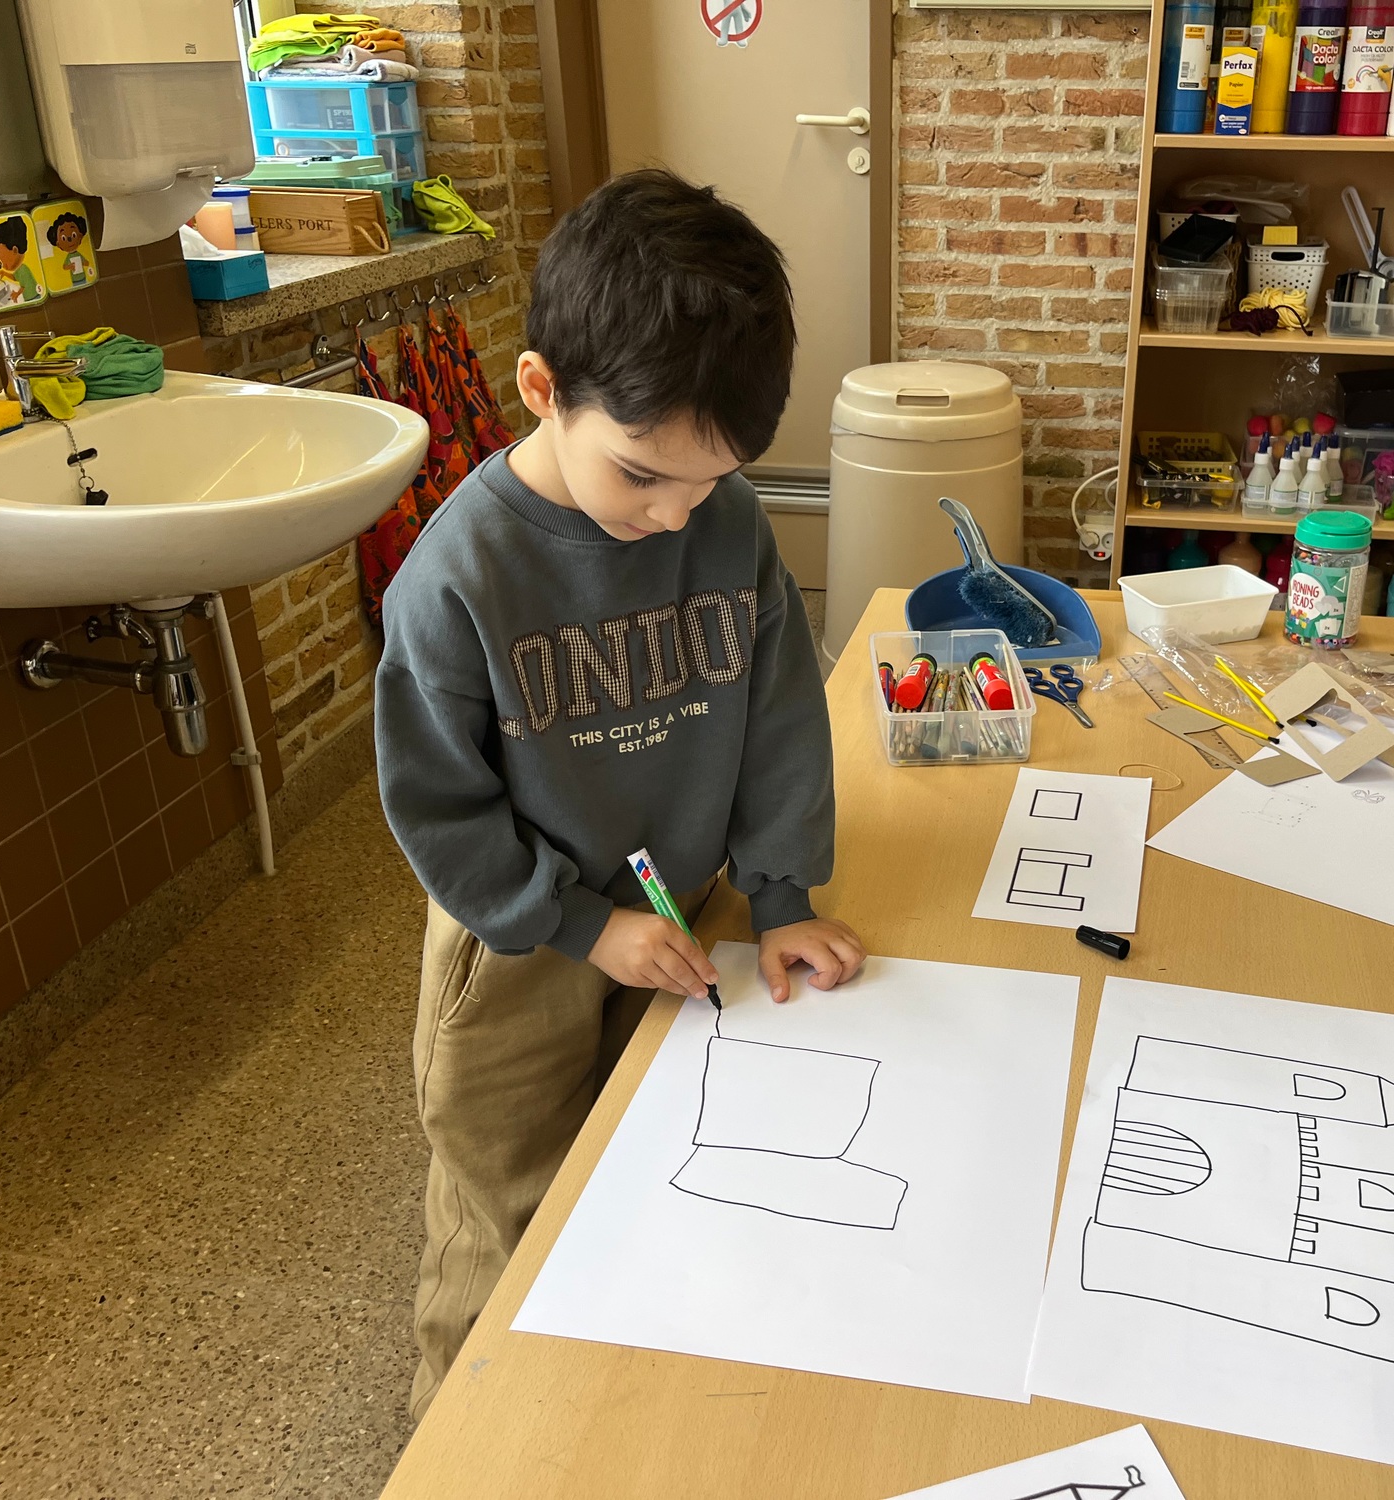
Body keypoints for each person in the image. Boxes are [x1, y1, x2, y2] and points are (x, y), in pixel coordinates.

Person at [374, 168, 866, 1422]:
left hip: (679, 909)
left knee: (642, 1171)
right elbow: (439, 810)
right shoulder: (457, 578)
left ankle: (597, 1424)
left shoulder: (724, 523)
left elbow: (777, 720)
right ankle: (464, 1441)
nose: (677, 512)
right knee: (508, 1216)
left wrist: (779, 896)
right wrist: (583, 925)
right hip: (519, 944)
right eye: (644, 474)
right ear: (542, 389)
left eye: (711, 479)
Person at [0, 216, 39, 308]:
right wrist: (5, 273)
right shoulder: (19, 269)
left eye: (1, 259)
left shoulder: (23, 270)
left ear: (15, 250)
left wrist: (17, 294)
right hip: (29, 298)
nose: (2, 264)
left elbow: (25, 286)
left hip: (34, 297)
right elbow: (16, 278)